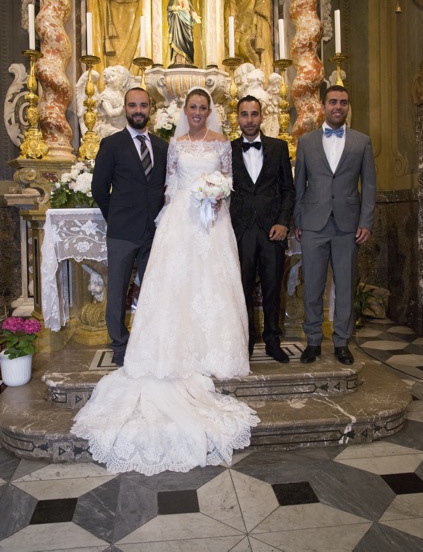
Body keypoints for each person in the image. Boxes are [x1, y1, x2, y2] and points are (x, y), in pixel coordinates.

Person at [72, 87, 259, 475]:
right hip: (168, 223)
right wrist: (123, 216)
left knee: (211, 287)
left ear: (208, 110)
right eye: (192, 107)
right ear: (184, 110)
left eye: (202, 107)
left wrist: (216, 197)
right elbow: (165, 186)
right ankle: (124, 345)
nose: (197, 112)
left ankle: (212, 348)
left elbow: (225, 179)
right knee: (163, 287)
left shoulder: (204, 143)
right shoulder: (157, 144)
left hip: (210, 223)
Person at [294, 85, 376, 365]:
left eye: (343, 102)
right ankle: (313, 342)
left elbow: (370, 185)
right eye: (333, 102)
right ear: (323, 106)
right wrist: (298, 220)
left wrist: (366, 221)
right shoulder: (306, 142)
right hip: (313, 224)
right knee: (312, 286)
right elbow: (299, 185)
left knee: (345, 286)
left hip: (348, 225)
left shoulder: (362, 142)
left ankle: (342, 342)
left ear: (347, 107)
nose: (338, 106)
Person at [91, 87, 169, 367]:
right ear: (125, 108)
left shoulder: (162, 146)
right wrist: (116, 217)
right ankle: (120, 345)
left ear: (151, 109)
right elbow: (99, 188)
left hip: (155, 231)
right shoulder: (112, 144)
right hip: (123, 231)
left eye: (143, 105)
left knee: (154, 290)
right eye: (133, 105)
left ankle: (150, 340)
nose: (138, 110)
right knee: (117, 291)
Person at [230, 95, 296, 362]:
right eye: (244, 114)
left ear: (261, 117)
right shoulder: (227, 150)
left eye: (254, 114)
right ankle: (244, 342)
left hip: (273, 230)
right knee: (242, 289)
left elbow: (288, 190)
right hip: (241, 230)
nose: (249, 120)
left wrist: (283, 222)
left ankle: (272, 341)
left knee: (272, 289)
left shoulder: (279, 148)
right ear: (237, 118)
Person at [167, 0, 201, 66]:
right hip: (177, 21)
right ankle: (178, 61)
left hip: (187, 21)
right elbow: (169, 8)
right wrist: (177, 8)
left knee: (189, 40)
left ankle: (188, 61)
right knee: (177, 39)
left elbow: (192, 10)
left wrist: (195, 16)